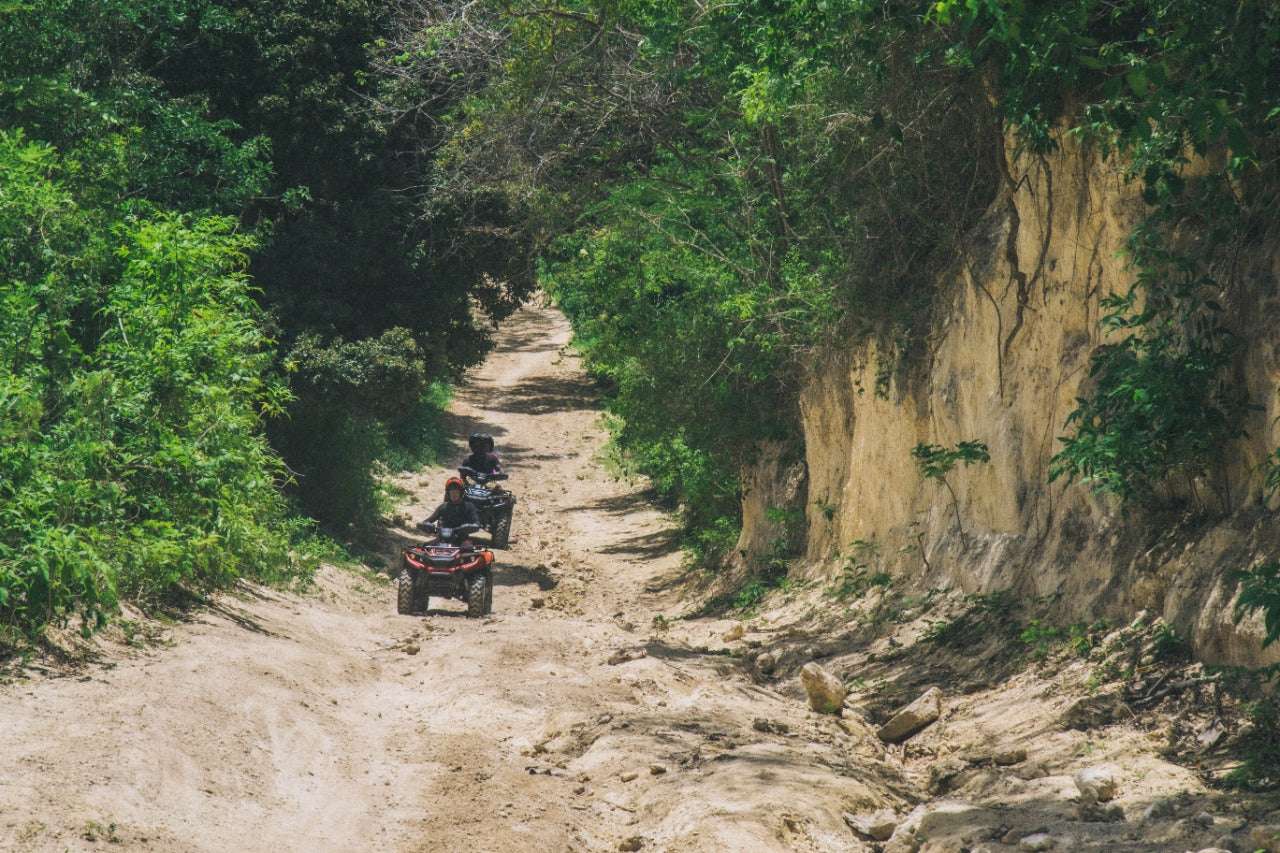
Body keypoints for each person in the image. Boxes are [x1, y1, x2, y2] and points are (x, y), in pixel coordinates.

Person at [418, 477, 480, 542]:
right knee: (425, 547)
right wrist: (425, 525)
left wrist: (468, 527)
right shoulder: (443, 507)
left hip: (462, 540)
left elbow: (477, 524)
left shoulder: (469, 506)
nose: (454, 493)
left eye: (456, 491)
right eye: (451, 491)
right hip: (442, 539)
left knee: (469, 548)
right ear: (448, 493)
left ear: (461, 492)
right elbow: (427, 521)